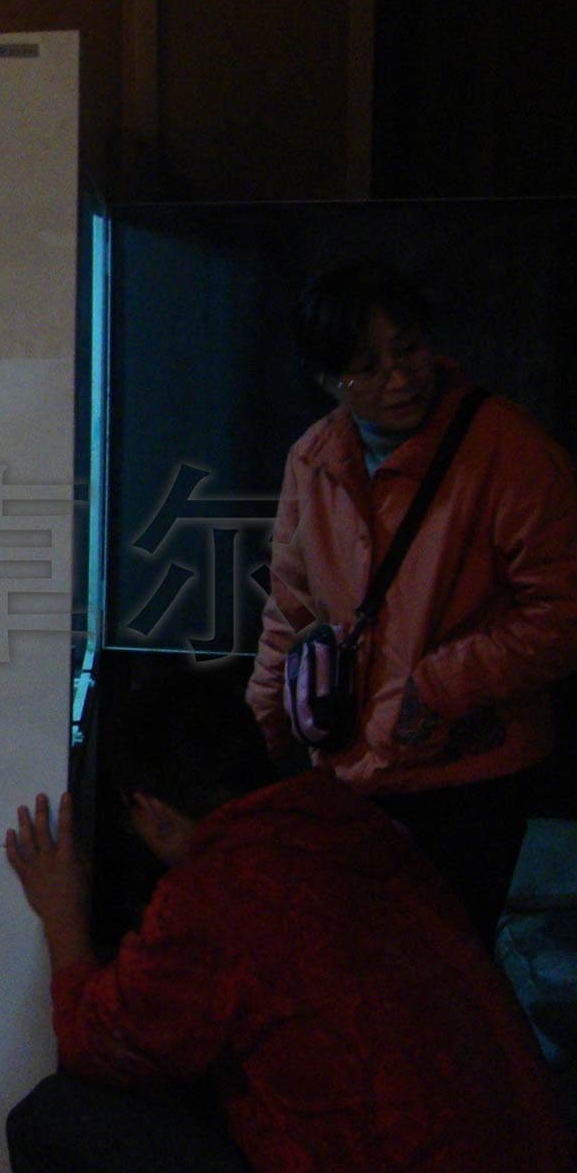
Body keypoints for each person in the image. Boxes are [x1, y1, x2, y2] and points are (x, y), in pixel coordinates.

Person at [4, 671, 574, 1173]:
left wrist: (61, 914)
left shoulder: (217, 896)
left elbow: (95, 1044)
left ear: (153, 811)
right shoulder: (353, 825)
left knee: (48, 1128)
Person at [246, 259, 577, 947]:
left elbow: (562, 612)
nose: (400, 379)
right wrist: (257, 742)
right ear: (326, 380)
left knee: (446, 966)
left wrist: (438, 686)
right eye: (367, 368)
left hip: (469, 773)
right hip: (352, 771)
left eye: (410, 350)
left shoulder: (509, 451)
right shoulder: (314, 460)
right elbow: (289, 615)